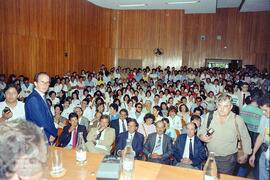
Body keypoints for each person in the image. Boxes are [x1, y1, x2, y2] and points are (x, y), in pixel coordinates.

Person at [198, 94, 252, 175]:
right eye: (219, 105)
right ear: (216, 105)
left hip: (228, 159)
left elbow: (246, 138)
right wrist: (202, 136)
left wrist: (246, 154)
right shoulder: (210, 116)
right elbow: (201, 131)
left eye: (225, 106)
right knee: (210, 177)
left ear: (231, 107)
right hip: (210, 156)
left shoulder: (237, 120)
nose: (221, 109)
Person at [25, 72, 57, 142]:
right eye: (42, 82)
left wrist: (51, 133)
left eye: (47, 82)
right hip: (38, 137)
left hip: (46, 134)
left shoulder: (41, 95)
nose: (45, 85)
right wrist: (54, 132)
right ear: (35, 83)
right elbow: (42, 120)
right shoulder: (33, 99)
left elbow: (48, 116)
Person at [249, 93, 270, 180]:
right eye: (262, 110)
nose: (263, 113)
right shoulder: (265, 117)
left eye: (265, 110)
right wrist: (253, 154)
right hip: (264, 153)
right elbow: (261, 136)